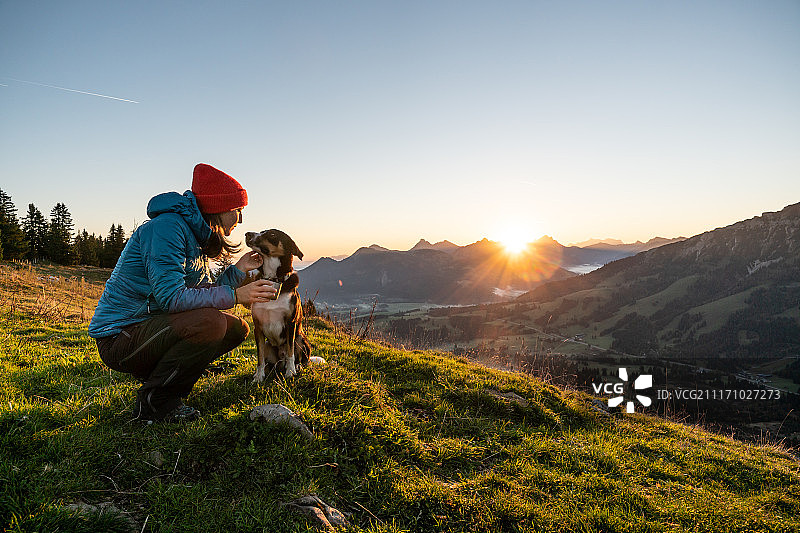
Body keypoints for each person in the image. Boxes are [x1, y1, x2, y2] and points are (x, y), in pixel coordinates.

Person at [89, 163, 278, 423]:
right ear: (218, 208)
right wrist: (236, 296)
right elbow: (172, 298)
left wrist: (238, 270)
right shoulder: (167, 228)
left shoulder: (194, 235)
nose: (240, 219)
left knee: (236, 328)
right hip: (121, 336)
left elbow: (201, 291)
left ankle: (175, 369)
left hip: (150, 328)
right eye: (237, 210)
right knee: (210, 323)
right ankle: (156, 403)